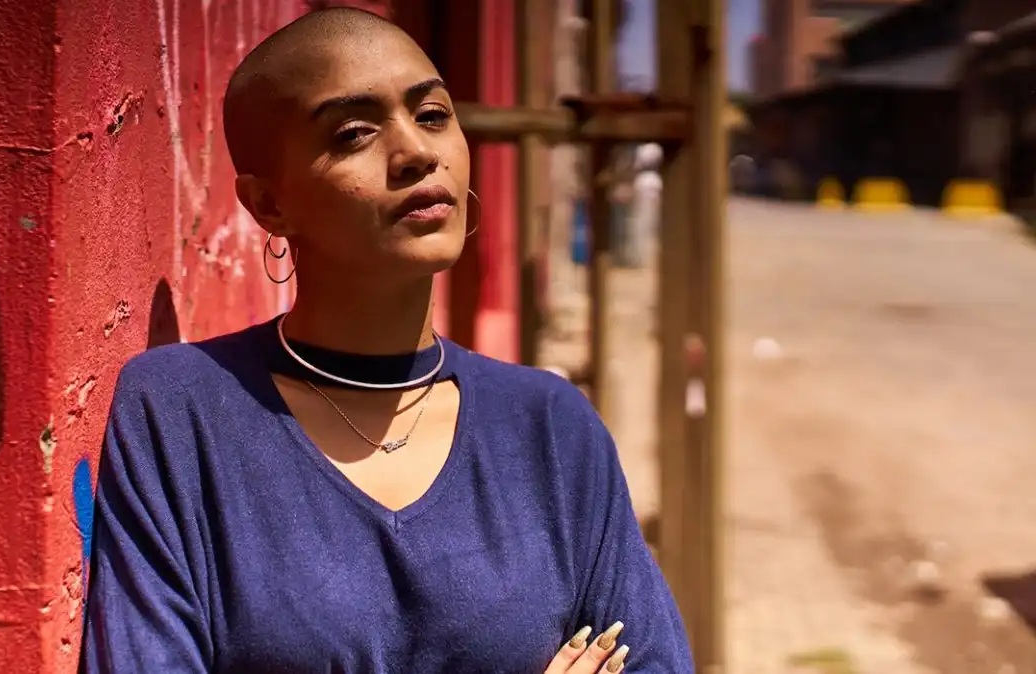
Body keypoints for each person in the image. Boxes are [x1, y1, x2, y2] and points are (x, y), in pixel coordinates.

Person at [79, 8, 691, 674]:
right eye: (354, 132)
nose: (418, 153)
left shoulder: (549, 427)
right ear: (268, 204)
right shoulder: (181, 413)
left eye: (432, 116)